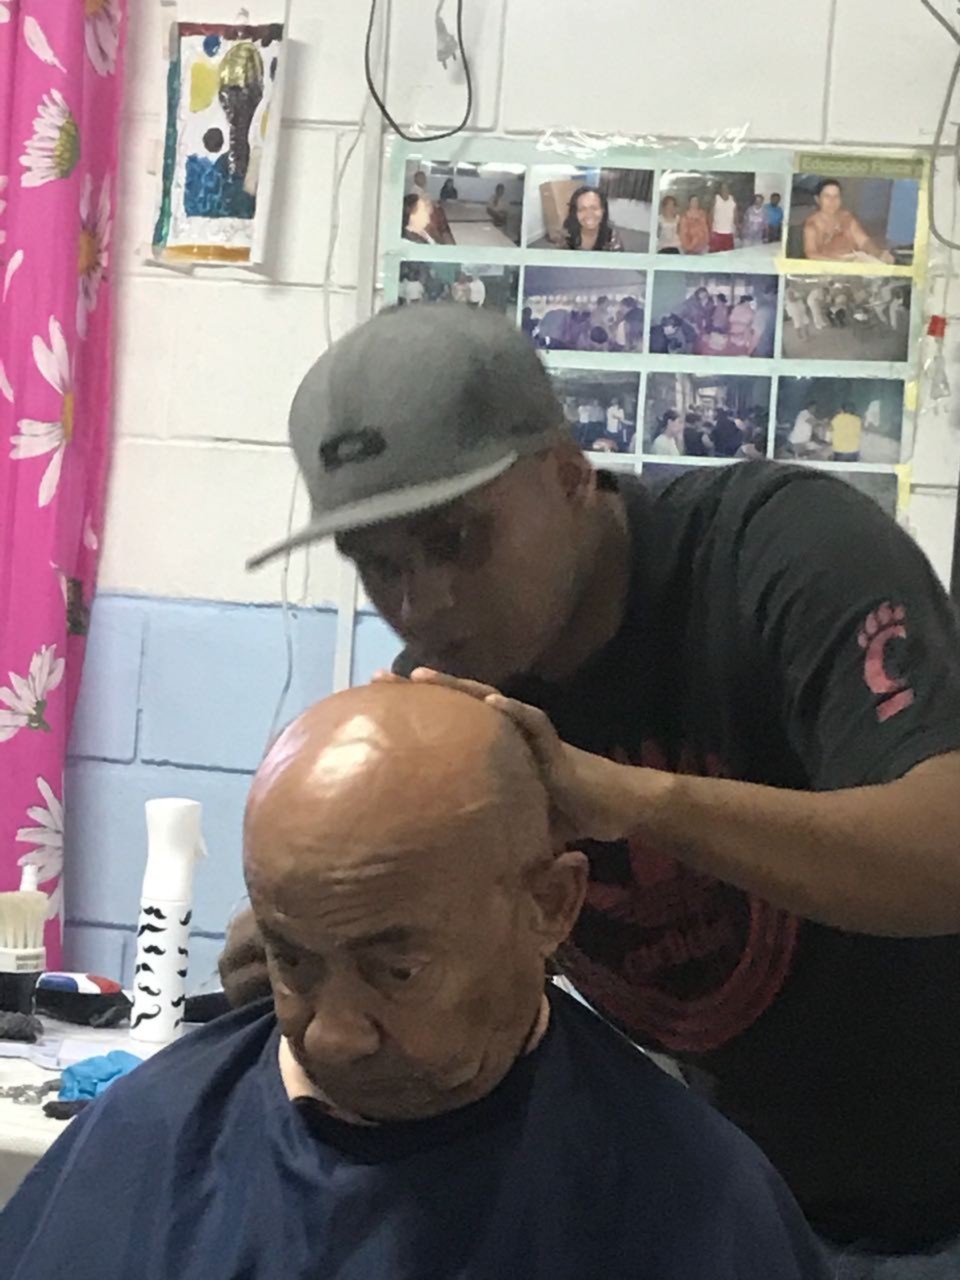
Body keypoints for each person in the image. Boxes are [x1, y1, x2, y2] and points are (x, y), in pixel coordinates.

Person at [240, 306, 960, 1275]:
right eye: (379, 564)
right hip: (738, 1206)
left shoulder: (782, 556)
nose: (420, 603)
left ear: (569, 473)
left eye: (458, 539)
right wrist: (329, 949)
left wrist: (631, 801)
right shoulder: (457, 696)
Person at [0, 684, 833, 1280]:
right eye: (293, 960)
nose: (334, 1035)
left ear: (551, 906)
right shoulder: (144, 1143)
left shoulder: (690, 1202)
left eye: (396, 969)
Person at [802, 178, 895, 263]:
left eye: (836, 196)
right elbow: (811, 254)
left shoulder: (847, 218)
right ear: (817, 199)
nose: (832, 201)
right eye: (827, 196)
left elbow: (864, 241)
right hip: (829, 264)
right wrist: (840, 263)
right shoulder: (812, 225)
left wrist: (878, 254)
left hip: (856, 259)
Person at [559, 185, 623, 252]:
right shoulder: (565, 237)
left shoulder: (612, 238)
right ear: (575, 213)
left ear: (603, 210)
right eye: (582, 209)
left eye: (594, 208)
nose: (588, 214)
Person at [710, 181, 738, 253]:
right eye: (722, 188)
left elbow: (736, 216)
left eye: (726, 188)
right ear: (720, 190)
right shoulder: (716, 199)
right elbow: (710, 216)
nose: (724, 190)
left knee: (729, 255)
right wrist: (710, 231)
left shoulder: (733, 200)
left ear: (729, 189)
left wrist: (736, 229)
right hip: (717, 233)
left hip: (729, 233)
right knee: (715, 255)